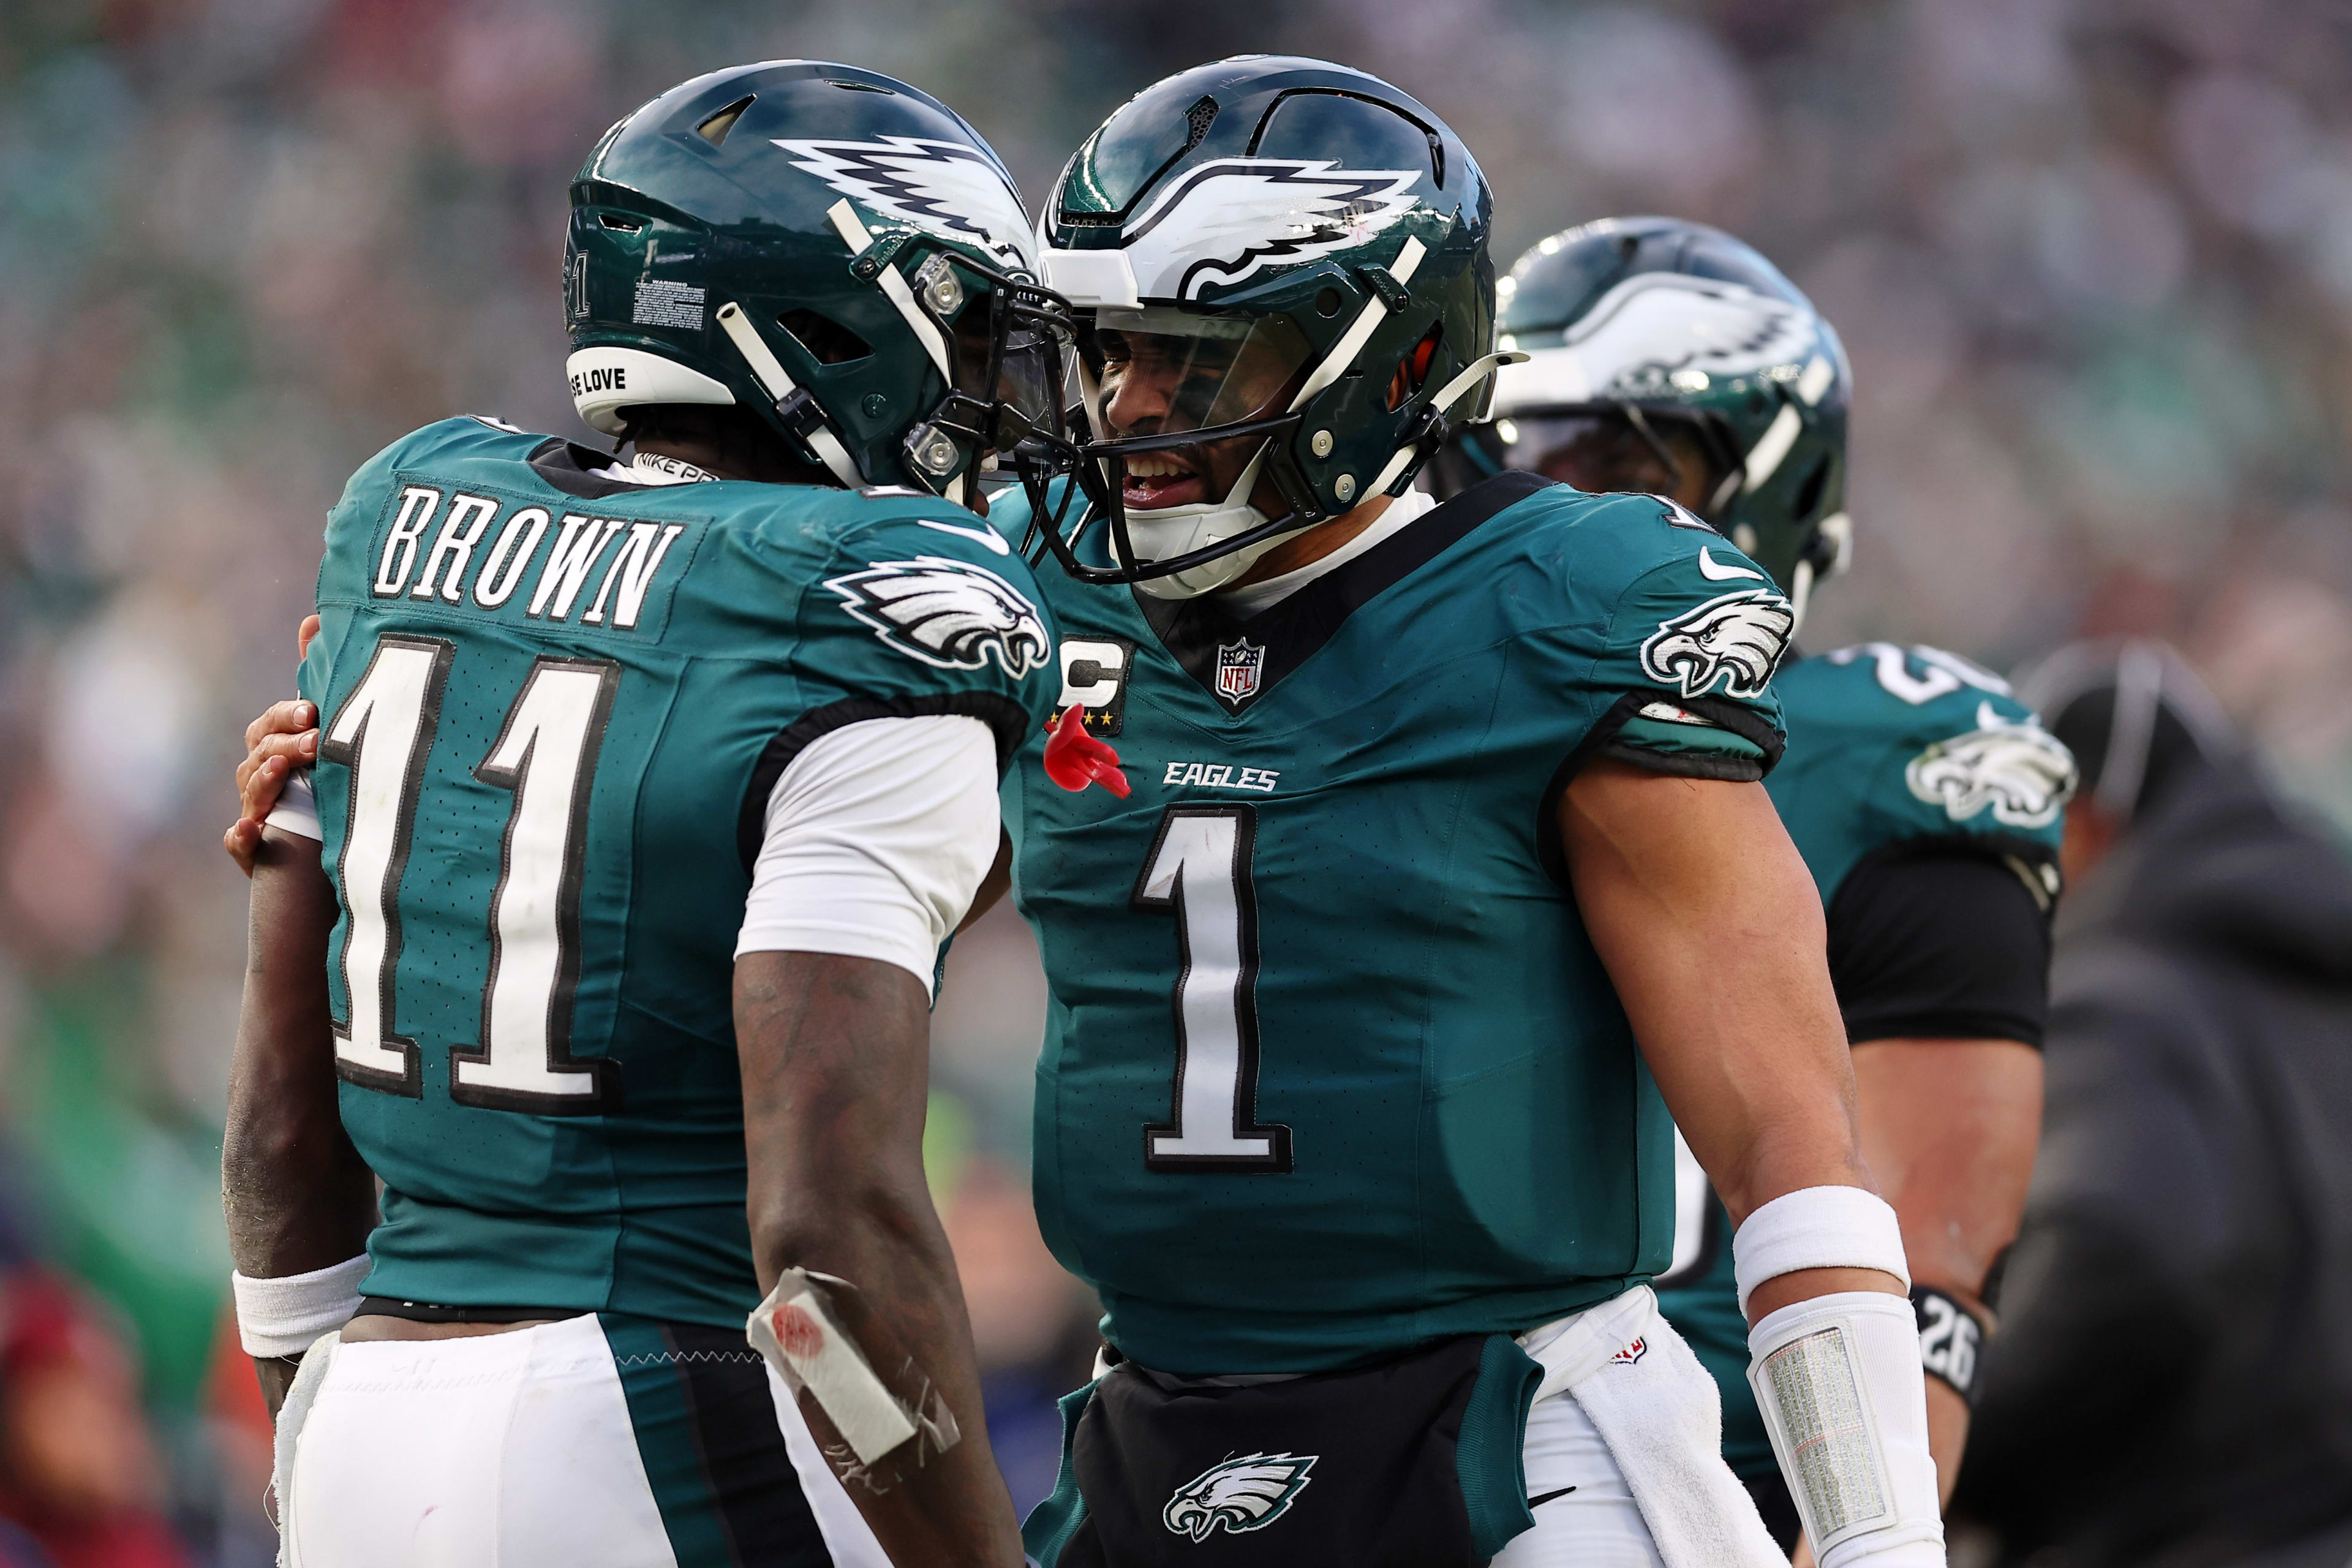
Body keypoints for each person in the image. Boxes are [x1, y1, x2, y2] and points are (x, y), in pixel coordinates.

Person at [238, 57, 1951, 1568]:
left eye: (1198, 368)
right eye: (1115, 353)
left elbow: (1793, 1142)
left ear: (1397, 360)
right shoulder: (1021, 586)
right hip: (1153, 1423)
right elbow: (805, 889)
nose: (1127, 414)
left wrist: (1875, 1535)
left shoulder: (1572, 602)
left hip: (1518, 1427)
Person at [221, 61, 1069, 1568]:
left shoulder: (403, 520)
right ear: (829, 329)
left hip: (369, 1416)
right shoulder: (862, 609)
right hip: (660, 1412)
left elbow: (284, 1128)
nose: (996, 397)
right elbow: (825, 1253)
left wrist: (320, 1430)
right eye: (975, 337)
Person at [1453, 216, 2076, 1552]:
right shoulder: (1419, 728)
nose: (1555, 500)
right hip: (1412, 1438)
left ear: (1771, 484)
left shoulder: (1889, 751)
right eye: (1519, 452)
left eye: (1617, 457)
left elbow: (1935, 1259)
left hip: (1706, 1476)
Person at [1954, 641, 2352, 1568]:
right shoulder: (2318, 971)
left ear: (2087, 824)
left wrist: (1948, 1446)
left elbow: (2124, 1251)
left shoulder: (2121, 989)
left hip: (2198, 1532)